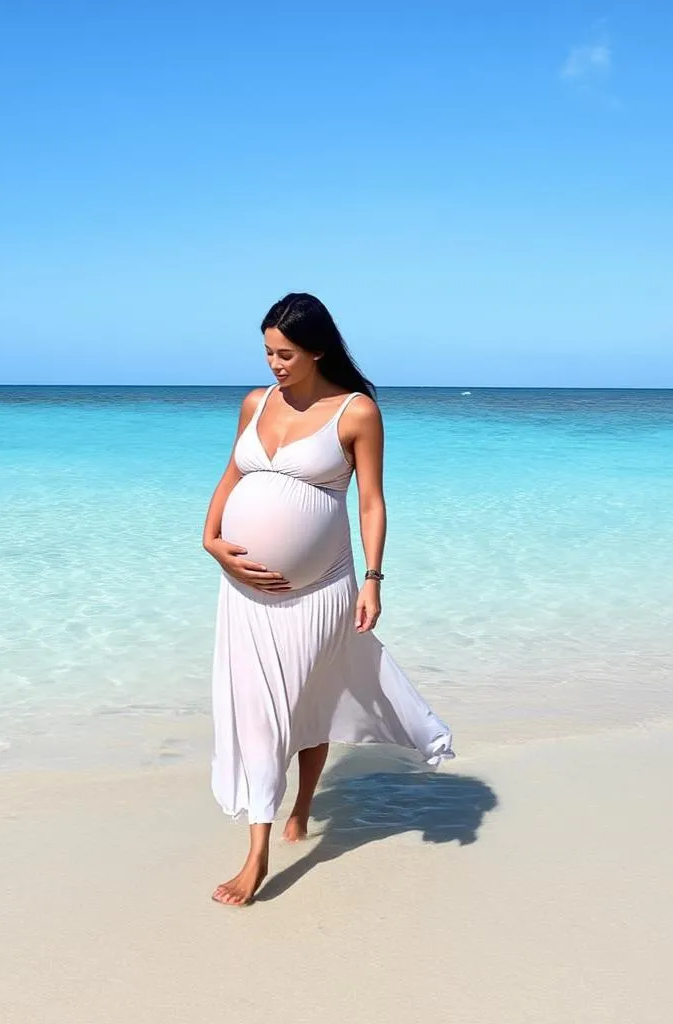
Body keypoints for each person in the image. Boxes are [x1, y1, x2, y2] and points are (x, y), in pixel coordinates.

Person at [202, 293, 454, 906]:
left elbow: (370, 501)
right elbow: (231, 476)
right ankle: (260, 847)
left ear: (317, 349)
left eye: (285, 353)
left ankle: (300, 808)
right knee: (263, 711)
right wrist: (210, 541)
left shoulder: (356, 412)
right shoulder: (254, 404)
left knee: (305, 694)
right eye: (266, 352)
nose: (273, 364)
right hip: (244, 593)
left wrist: (375, 578)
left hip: (320, 587)